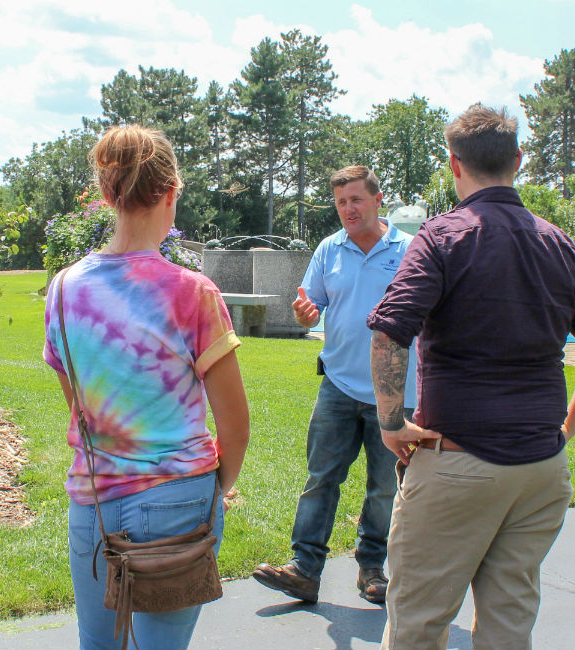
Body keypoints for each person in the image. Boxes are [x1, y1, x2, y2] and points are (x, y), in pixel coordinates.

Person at [366, 103, 575, 650]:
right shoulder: (558, 243)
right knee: (509, 627)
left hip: (460, 463)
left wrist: (391, 423)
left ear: (454, 165)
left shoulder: (440, 238)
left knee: (418, 624)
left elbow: (391, 332)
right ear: (518, 160)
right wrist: (567, 429)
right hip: (539, 470)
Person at [43, 124, 250, 650]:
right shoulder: (193, 292)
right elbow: (235, 427)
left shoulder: (64, 289)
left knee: (99, 644)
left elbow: (82, 413)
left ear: (107, 195)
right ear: (171, 194)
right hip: (178, 500)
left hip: (94, 500)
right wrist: (215, 488)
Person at [251, 166, 417, 605]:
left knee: (384, 487)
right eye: (341, 202)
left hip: (397, 396)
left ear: (379, 200)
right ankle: (304, 569)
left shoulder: (410, 250)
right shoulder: (330, 249)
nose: (348, 209)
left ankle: (372, 569)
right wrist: (307, 314)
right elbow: (313, 305)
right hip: (339, 386)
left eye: (356, 200)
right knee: (321, 477)